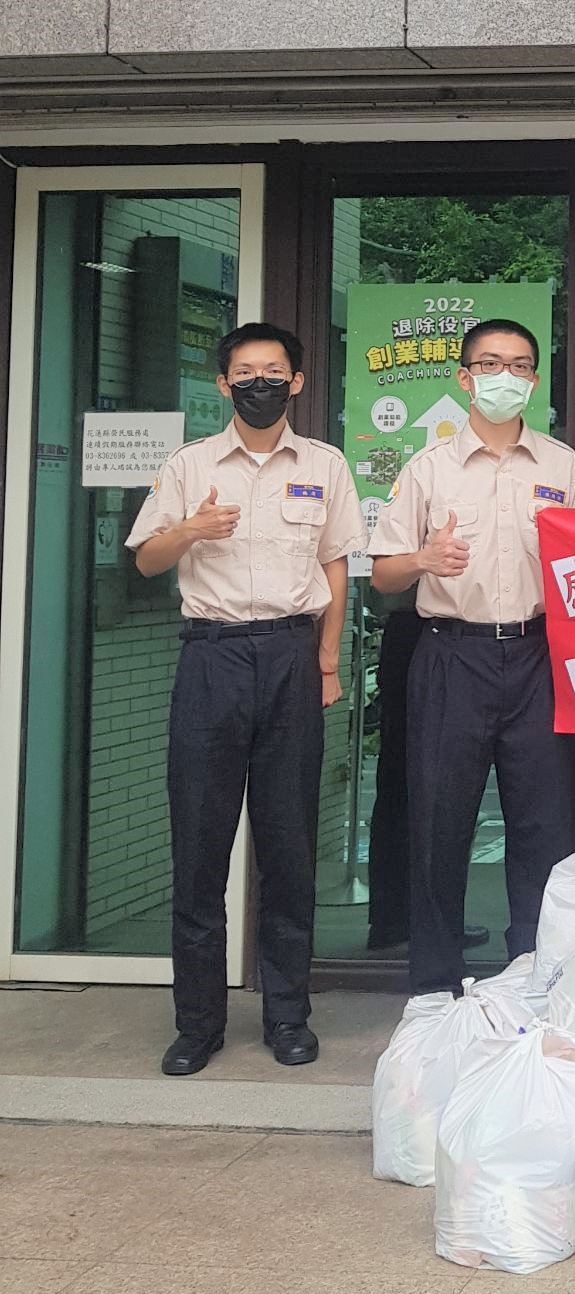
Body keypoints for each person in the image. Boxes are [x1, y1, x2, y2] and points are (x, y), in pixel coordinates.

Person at [127, 322, 361, 1077]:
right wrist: (190, 529)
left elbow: (335, 572)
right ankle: (197, 1023)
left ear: (297, 382)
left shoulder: (324, 465)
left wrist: (327, 663)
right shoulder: (189, 465)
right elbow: (145, 559)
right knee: (199, 847)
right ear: (224, 384)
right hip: (211, 658)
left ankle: (288, 1016)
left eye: (274, 371)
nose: (260, 382)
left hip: (293, 657)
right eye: (245, 372)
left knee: (289, 847)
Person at [369, 316, 575, 995]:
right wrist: (423, 559)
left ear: (533, 379)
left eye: (521, 365)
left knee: (542, 824)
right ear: (465, 378)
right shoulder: (428, 469)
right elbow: (383, 574)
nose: (507, 376)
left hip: (536, 659)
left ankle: (535, 978)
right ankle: (436, 985)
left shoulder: (563, 467)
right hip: (451, 658)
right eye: (492, 364)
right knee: (440, 821)